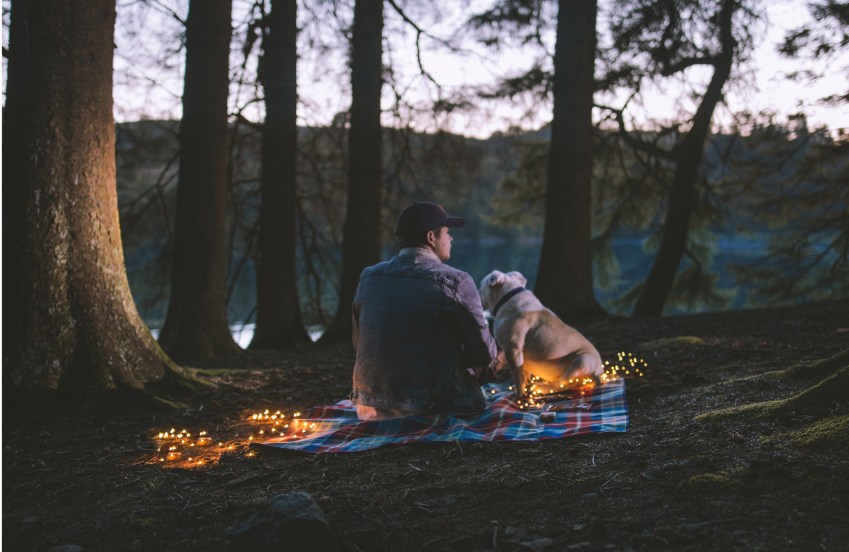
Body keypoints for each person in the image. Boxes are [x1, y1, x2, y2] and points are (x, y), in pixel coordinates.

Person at [350, 201, 499, 420]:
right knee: (495, 355)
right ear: (431, 237)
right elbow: (483, 355)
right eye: (447, 233)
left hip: (369, 406)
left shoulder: (368, 277)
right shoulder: (456, 281)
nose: (451, 239)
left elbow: (359, 342)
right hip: (432, 406)